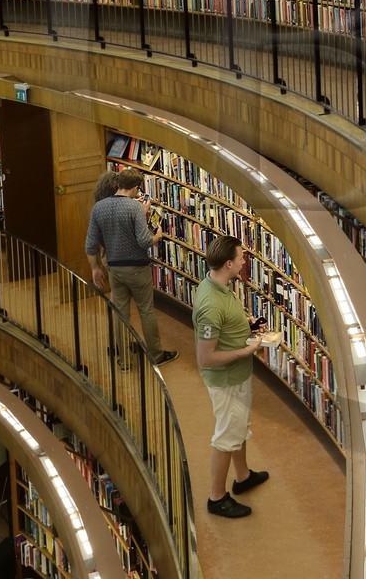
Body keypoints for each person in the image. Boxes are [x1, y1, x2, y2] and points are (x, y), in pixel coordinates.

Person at [192, 235, 270, 518]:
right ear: (228, 263)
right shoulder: (211, 305)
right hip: (227, 381)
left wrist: (247, 326)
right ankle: (217, 497)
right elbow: (206, 358)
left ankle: (243, 476)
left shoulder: (218, 284)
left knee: (238, 428)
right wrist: (245, 351)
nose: (244, 261)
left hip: (236, 376)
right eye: (240, 257)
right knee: (226, 436)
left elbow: (226, 325)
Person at [85, 167, 178, 367]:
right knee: (146, 311)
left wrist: (95, 267)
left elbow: (90, 244)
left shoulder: (98, 208)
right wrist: (158, 236)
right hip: (137, 268)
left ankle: (124, 360)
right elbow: (144, 241)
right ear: (135, 187)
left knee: (121, 313)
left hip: (114, 269)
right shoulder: (135, 208)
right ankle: (156, 355)